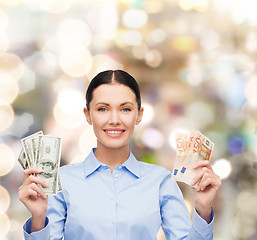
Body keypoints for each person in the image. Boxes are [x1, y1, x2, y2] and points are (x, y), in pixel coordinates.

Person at [19, 70, 221, 240]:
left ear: (139, 115)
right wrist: (38, 219)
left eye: (125, 109)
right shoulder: (61, 181)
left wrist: (203, 208)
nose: (114, 120)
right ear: (88, 115)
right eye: (103, 109)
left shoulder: (160, 181)